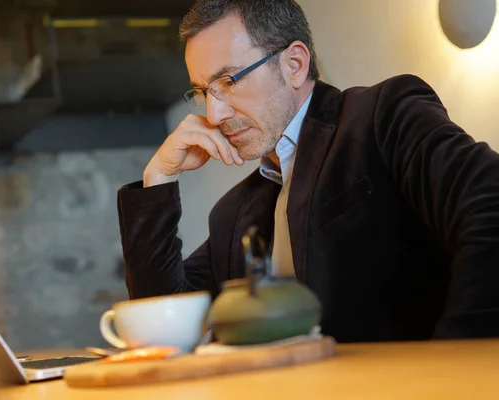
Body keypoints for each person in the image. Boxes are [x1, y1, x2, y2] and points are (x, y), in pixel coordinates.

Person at [116, 0, 499, 343]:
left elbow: (490, 207)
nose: (214, 114)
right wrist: (158, 180)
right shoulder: (232, 214)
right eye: (203, 92)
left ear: (294, 64)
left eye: (229, 81)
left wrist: (458, 360)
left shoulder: (382, 116)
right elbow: (165, 330)